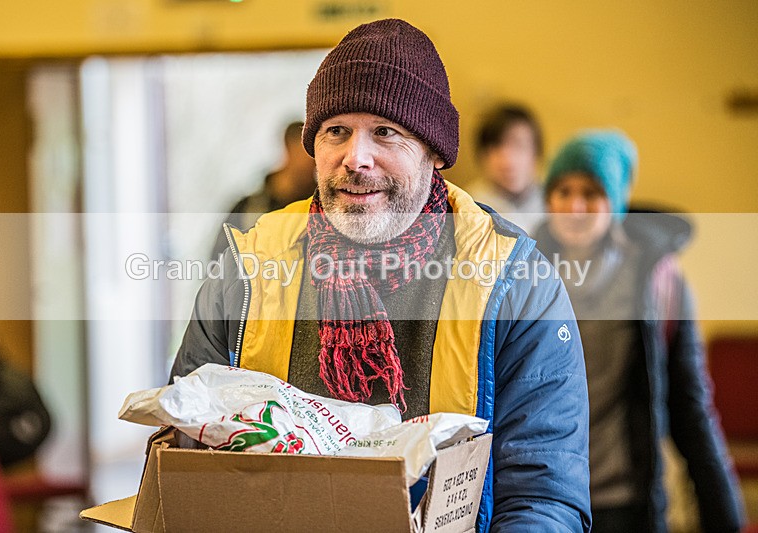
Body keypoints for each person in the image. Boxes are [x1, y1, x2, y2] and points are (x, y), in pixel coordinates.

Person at [172, 19, 590, 532]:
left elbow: (543, 496)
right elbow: (187, 455)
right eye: (336, 131)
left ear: (434, 152)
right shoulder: (248, 269)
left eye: (386, 132)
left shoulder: (516, 282)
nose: (356, 158)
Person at [534, 130, 745, 533]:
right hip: (543, 499)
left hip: (624, 500)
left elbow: (689, 402)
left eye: (591, 194)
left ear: (615, 202)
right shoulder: (522, 270)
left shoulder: (658, 282)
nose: (574, 207)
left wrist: (723, 515)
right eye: (563, 191)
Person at [211, 121, 316, 259]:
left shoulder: (322, 209)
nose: (315, 160)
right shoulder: (248, 209)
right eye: (308, 151)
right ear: (288, 147)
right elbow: (219, 263)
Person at [465, 104, 545, 235]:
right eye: (497, 147)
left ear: (536, 153)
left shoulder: (556, 203)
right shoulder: (467, 207)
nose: (508, 161)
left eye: (519, 146)